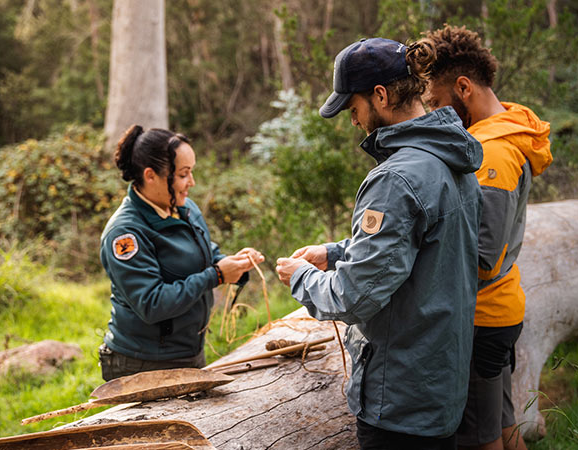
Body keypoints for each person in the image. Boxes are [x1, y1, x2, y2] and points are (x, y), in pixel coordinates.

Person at [275, 37, 483, 450]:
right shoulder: (454, 160)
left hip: (400, 403)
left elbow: (354, 297)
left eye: (353, 108)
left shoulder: (395, 178)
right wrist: (334, 253)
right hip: (441, 387)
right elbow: (424, 249)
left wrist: (301, 278)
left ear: (381, 96)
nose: (353, 120)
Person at [407, 25, 553, 450]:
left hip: (482, 317)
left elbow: (484, 256)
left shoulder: (492, 153)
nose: (433, 113)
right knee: (505, 429)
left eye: (435, 102)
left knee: (479, 440)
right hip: (498, 309)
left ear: (464, 87)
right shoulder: (505, 132)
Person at [98, 124, 264, 381]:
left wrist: (232, 265)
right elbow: (152, 303)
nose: (192, 183)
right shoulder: (125, 234)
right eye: (184, 174)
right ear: (151, 175)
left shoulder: (184, 208)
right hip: (143, 364)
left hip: (188, 353)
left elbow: (205, 253)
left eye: (192, 172)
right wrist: (216, 276)